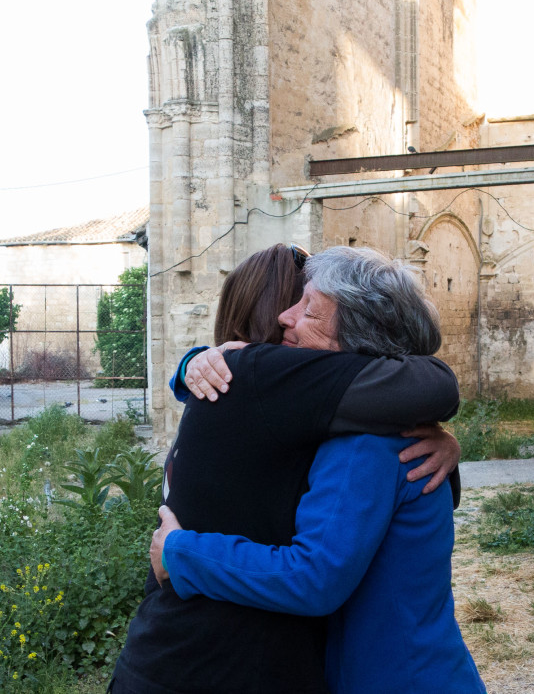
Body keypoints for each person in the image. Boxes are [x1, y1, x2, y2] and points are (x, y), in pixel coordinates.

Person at [110, 244, 463, 694]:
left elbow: (318, 573)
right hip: (208, 665)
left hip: (194, 659)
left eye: (309, 308)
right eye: (291, 302)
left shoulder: (358, 434)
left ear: (356, 337)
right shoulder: (264, 381)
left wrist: (181, 551)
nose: (288, 319)